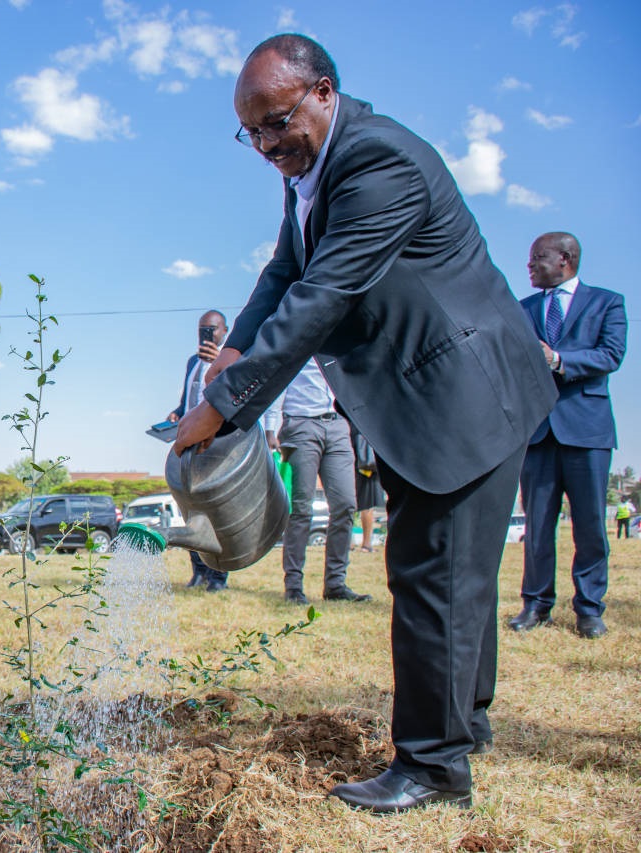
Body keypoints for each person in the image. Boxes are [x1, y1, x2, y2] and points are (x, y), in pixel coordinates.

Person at [173, 35, 556, 812]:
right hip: (432, 394)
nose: (267, 147)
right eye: (251, 132)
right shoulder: (313, 167)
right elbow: (284, 269)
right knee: (456, 575)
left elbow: (325, 293)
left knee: (433, 576)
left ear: (322, 91)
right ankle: (465, 725)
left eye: (276, 123)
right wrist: (237, 345)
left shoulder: (380, 162)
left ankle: (434, 766)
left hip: (465, 391)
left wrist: (223, 403)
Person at [509, 233, 626, 639]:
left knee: (591, 526)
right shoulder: (522, 310)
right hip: (539, 433)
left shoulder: (607, 303)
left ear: (564, 259)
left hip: (587, 432)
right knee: (537, 525)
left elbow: (611, 355)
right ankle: (535, 604)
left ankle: (589, 609)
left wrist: (558, 359)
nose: (529, 265)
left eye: (536, 257)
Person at [263, 359, 368, 605]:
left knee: (346, 504)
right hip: (301, 424)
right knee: (301, 509)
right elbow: (280, 379)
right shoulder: (301, 334)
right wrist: (270, 429)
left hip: (338, 424)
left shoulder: (339, 342)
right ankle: (294, 586)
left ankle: (335, 584)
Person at [165, 310, 231, 592]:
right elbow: (187, 401)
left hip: (216, 442)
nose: (207, 334)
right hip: (190, 443)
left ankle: (218, 577)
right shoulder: (192, 362)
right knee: (190, 511)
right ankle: (199, 571)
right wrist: (176, 414)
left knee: (217, 512)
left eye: (213, 329)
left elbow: (234, 395)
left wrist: (219, 362)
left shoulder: (230, 360)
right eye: (203, 329)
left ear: (224, 332)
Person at [350, 423, 384, 552]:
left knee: (347, 503)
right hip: (366, 463)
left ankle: (349, 542)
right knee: (367, 505)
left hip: (350, 458)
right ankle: (366, 544)